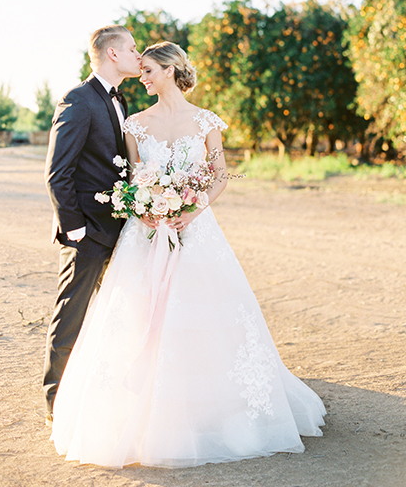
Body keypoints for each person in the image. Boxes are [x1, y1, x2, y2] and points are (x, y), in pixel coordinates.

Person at [51, 41, 326, 467]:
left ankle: (212, 408)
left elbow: (219, 176)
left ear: (169, 69)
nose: (142, 78)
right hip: (147, 235)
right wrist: (146, 207)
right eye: (139, 71)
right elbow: (135, 179)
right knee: (140, 316)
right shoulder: (136, 125)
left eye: (148, 71)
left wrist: (192, 209)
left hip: (196, 232)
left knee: (208, 314)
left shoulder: (206, 121)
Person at [43, 25, 141, 425]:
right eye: (133, 49)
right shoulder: (78, 100)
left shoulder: (121, 101)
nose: (139, 55)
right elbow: (57, 172)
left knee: (118, 315)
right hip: (88, 233)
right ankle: (56, 402)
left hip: (120, 229)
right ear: (112, 54)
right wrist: (76, 228)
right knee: (72, 314)